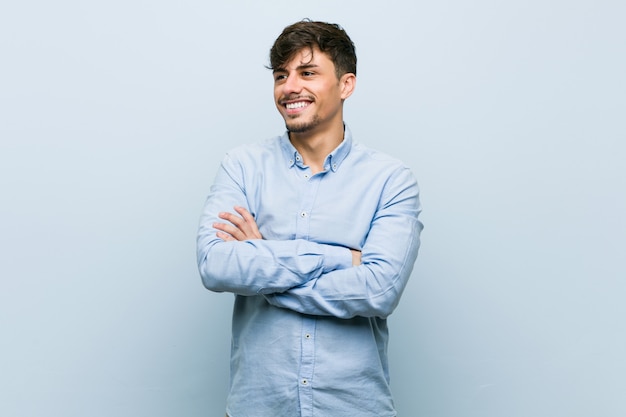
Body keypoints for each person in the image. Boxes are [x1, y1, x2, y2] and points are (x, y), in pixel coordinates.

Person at [196, 19, 423, 417]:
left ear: (346, 84)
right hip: (258, 407)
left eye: (307, 72)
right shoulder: (242, 167)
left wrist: (263, 259)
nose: (289, 87)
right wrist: (341, 259)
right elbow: (215, 265)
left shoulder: (391, 180)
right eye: (281, 75)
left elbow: (378, 290)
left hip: (353, 407)